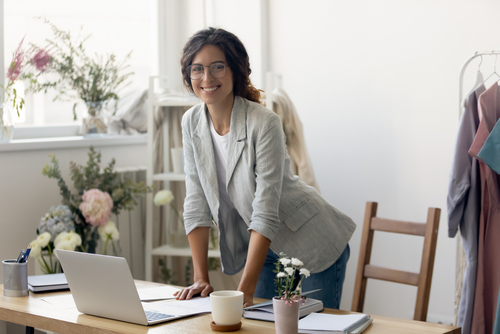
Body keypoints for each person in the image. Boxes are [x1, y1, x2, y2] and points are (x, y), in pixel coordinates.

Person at [173, 27, 356, 309]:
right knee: (258, 325)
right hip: (264, 249)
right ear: (189, 76)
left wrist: (244, 289)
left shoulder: (264, 122)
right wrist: (200, 277)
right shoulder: (191, 122)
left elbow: (265, 208)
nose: (207, 78)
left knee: (313, 329)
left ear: (236, 70)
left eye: (218, 67)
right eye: (197, 69)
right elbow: (196, 201)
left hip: (311, 242)